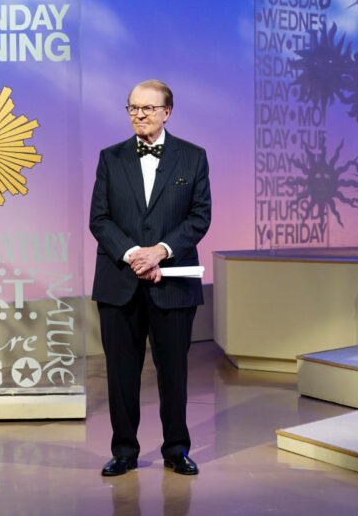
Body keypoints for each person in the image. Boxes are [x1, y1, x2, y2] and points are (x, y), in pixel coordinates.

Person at [89, 79, 211, 476]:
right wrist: (132, 255)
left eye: (147, 108)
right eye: (133, 108)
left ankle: (176, 448)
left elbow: (199, 217)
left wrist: (160, 251)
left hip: (172, 281)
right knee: (121, 374)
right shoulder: (111, 157)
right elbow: (100, 218)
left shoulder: (193, 157)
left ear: (166, 112)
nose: (139, 115)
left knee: (174, 371)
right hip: (119, 281)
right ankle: (124, 450)